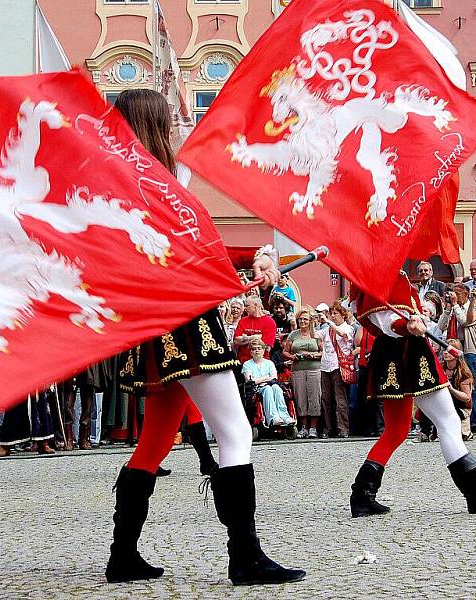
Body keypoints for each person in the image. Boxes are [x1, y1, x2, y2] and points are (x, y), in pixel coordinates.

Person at [108, 89, 304, 586]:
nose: (177, 127)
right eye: (169, 120)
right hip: (187, 325)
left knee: (152, 443)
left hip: (158, 327)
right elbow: (183, 260)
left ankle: (122, 554)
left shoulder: (125, 187)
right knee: (235, 432)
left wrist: (235, 273)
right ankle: (245, 555)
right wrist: (223, 279)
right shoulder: (160, 186)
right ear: (155, 126)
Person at [347, 277, 476, 518]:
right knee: (448, 422)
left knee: (396, 432)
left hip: (393, 357)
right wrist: (407, 326)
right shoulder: (384, 278)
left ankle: (362, 495)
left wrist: (421, 327)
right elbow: (388, 321)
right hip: (409, 357)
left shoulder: (371, 279)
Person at [283, 309, 323, 438]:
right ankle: (303, 427)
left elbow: (324, 352)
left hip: (314, 368)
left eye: (305, 319)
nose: (302, 321)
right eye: (300, 319)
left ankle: (313, 427)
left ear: (310, 320)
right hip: (298, 369)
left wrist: (312, 355)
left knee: (314, 397)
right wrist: (293, 357)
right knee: (301, 398)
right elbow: (285, 352)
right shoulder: (293, 335)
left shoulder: (317, 335)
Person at [320, 302, 354, 438]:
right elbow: (314, 335)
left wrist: (328, 321)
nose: (333, 316)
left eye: (335, 313)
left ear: (343, 315)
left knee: (340, 399)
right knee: (326, 399)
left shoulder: (348, 328)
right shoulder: (327, 329)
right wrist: (312, 322)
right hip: (325, 366)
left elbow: (342, 334)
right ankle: (329, 428)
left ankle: (343, 428)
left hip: (339, 366)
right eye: (331, 313)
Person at [242, 340, 295, 426]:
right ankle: (273, 417)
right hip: (256, 389)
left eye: (259, 348)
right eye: (254, 349)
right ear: (251, 352)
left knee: (276, 388)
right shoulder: (247, 364)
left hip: (271, 385)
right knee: (267, 389)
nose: (257, 351)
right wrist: (266, 378)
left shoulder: (269, 363)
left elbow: (274, 378)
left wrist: (260, 380)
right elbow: (250, 381)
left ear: (263, 350)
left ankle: (284, 416)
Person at [234, 296, 277, 364]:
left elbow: (267, 347)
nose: (245, 308)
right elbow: (236, 340)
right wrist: (255, 337)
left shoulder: (270, 322)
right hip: (242, 362)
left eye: (247, 306)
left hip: (261, 364)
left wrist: (245, 338)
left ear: (256, 305)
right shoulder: (243, 321)